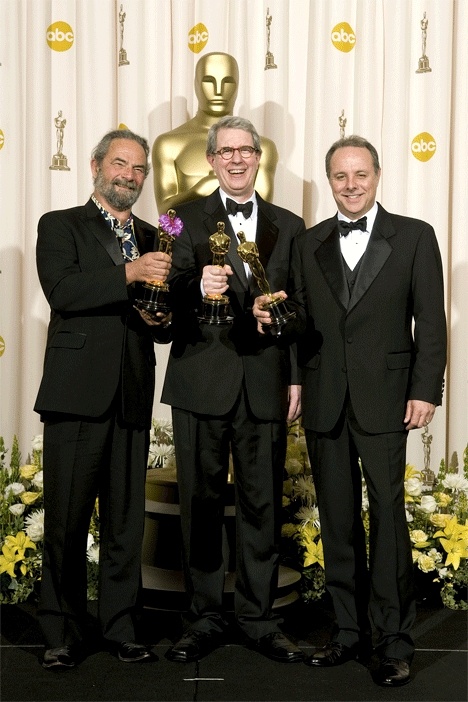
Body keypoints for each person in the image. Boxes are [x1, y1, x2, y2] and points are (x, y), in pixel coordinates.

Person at [253, 135, 447, 687]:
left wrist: (425, 389)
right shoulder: (308, 242)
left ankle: (392, 640)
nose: (350, 185)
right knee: (337, 520)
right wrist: (287, 365)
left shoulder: (414, 236)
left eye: (360, 174)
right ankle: (346, 633)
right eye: (340, 176)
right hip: (324, 399)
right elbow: (298, 323)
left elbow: (430, 323)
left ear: (378, 176)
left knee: (387, 519)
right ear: (329, 182)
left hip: (387, 399)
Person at [161, 115, 306, 664]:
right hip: (201, 378)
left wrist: (294, 374)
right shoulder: (180, 217)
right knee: (198, 504)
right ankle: (200, 618)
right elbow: (160, 292)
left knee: (262, 505)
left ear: (258, 157)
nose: (238, 160)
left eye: (247, 150)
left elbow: (299, 308)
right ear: (212, 159)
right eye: (227, 152)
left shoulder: (289, 225)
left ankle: (259, 617)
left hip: (265, 382)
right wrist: (194, 284)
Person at [34, 128, 172, 669]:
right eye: (121, 165)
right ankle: (61, 632)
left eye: (139, 170)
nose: (130, 177)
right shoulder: (60, 225)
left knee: (125, 524)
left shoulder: (155, 234)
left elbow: (161, 323)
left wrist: (161, 316)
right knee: (66, 522)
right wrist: (129, 273)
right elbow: (63, 289)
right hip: (75, 397)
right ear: (96, 166)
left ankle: (120, 627)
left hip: (131, 396)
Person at [152, 52, 278, 213]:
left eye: (228, 82)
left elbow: (262, 213)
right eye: (209, 81)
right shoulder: (168, 145)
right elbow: (165, 214)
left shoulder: (263, 147)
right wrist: (202, 189)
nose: (219, 90)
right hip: (187, 238)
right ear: (196, 84)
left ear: (238, 86)